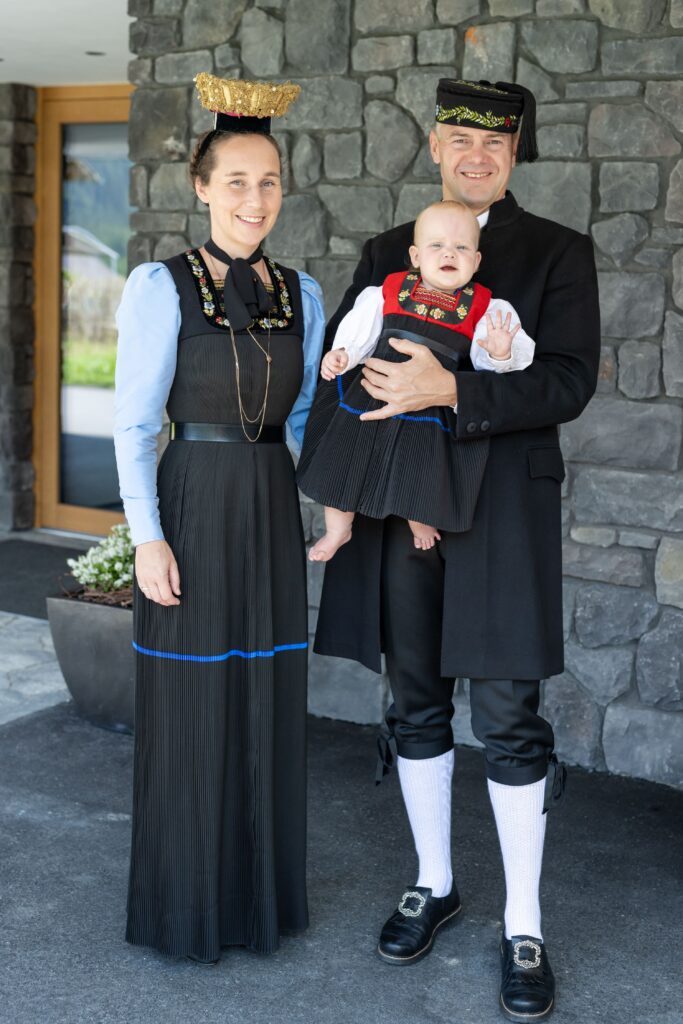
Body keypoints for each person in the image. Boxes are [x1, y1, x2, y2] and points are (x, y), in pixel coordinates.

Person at [306, 79, 599, 1021]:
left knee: (510, 715)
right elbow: (348, 365)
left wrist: (450, 391)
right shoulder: (388, 254)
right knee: (414, 695)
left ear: (513, 154)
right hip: (403, 507)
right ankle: (434, 883)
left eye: (496, 145)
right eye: (461, 142)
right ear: (434, 145)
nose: (478, 158)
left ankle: (524, 922)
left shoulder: (557, 251)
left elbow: (566, 381)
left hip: (504, 510)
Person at [113, 73, 325, 965]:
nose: (253, 198)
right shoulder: (160, 287)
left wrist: (338, 507)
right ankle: (188, 904)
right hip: (193, 503)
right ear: (201, 188)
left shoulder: (303, 294)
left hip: (271, 506)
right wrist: (147, 534)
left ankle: (257, 901)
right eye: (235, 181)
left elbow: (311, 419)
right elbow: (132, 421)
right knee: (198, 701)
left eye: (267, 181)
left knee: (267, 702)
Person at [297, 199, 534, 561]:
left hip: (430, 398)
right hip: (372, 389)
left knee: (423, 463)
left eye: (461, 247)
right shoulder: (388, 291)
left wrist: (501, 351)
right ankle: (337, 529)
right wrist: (343, 353)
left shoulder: (485, 307)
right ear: (416, 255)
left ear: (476, 260)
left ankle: (421, 518)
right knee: (348, 458)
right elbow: (360, 331)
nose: (449, 253)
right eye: (437, 245)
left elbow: (495, 368)